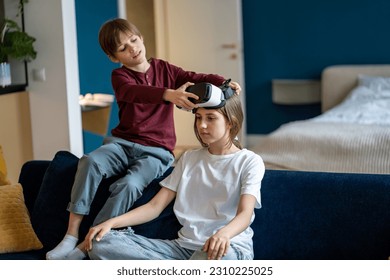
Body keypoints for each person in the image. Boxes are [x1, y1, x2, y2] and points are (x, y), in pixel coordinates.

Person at [46, 18, 241, 260]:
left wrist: (222, 81)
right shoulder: (120, 78)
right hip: (121, 144)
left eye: (134, 41)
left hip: (157, 151)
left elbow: (195, 76)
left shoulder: (166, 70)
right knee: (89, 161)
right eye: (123, 48)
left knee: (130, 184)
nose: (132, 49)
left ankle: (89, 243)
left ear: (142, 39)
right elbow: (135, 93)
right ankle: (71, 235)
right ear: (114, 57)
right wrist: (168, 94)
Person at [84, 93, 265, 260]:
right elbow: (155, 206)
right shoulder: (189, 158)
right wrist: (111, 223)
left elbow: (245, 213)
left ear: (231, 122)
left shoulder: (249, 161)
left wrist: (224, 234)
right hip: (179, 250)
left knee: (215, 258)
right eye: (199, 117)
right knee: (101, 243)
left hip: (226, 249)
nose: (201, 125)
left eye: (210, 118)